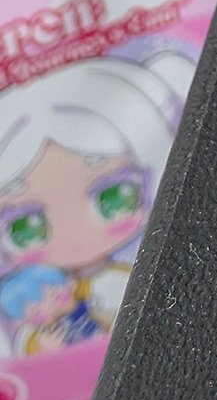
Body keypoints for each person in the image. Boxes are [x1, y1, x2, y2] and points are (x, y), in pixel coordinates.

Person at [0, 52, 193, 355]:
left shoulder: (128, 276)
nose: (74, 236)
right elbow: (27, 349)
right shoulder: (42, 295)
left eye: (114, 198)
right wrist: (46, 345)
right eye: (24, 229)